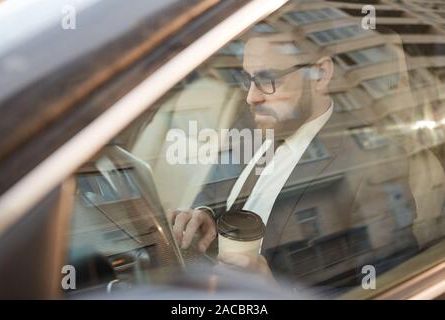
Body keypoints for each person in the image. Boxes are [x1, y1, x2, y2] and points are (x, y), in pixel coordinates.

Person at [167, 33, 418, 284]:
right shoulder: (255, 123)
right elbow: (219, 184)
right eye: (247, 80)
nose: (251, 97)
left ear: (320, 74)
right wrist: (206, 215)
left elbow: (388, 283)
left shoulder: (372, 163)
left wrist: (271, 289)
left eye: (268, 79)